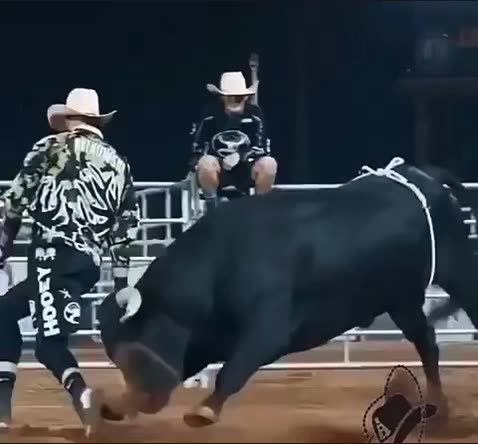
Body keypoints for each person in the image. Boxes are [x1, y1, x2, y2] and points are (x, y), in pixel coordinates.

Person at [0, 88, 140, 435]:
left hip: (51, 255)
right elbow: (126, 230)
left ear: (68, 119)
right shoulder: (119, 163)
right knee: (4, 313)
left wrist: (4, 249)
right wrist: (120, 286)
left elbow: (14, 202)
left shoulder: (51, 147)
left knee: (49, 345)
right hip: (86, 265)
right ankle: (1, 410)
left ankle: (83, 395)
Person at [190, 71, 278, 212]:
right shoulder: (209, 115)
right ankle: (212, 206)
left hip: (246, 169)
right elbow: (198, 149)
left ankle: (261, 207)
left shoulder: (255, 115)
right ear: (222, 98)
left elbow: (262, 148)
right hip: (217, 170)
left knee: (269, 163)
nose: (234, 100)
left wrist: (241, 156)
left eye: (239, 97)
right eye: (230, 97)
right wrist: (217, 159)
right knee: (205, 163)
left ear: (245, 97)